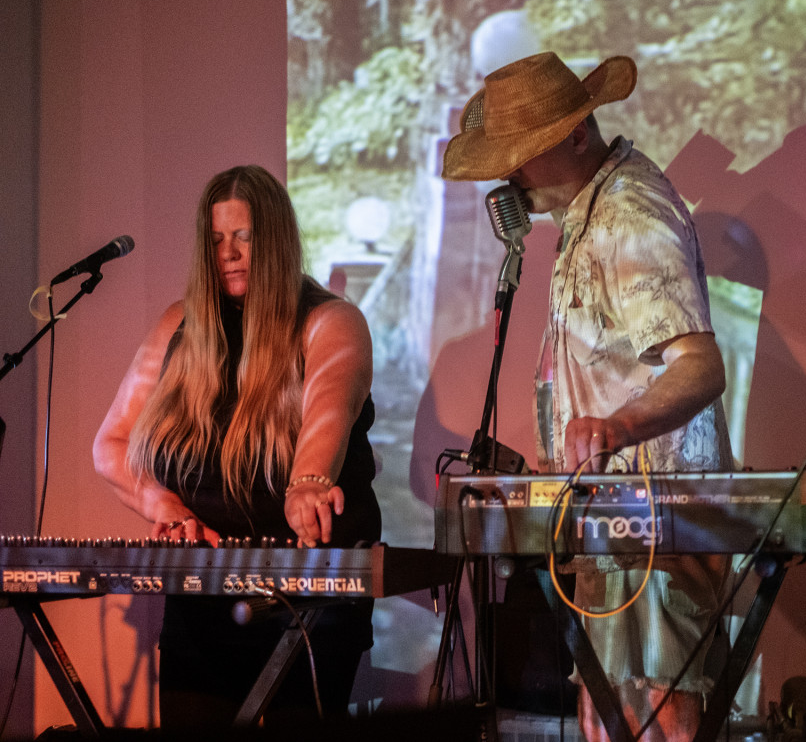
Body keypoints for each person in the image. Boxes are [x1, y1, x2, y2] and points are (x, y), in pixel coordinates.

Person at [443, 52, 736, 742]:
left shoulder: (628, 211)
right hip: (618, 534)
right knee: (611, 718)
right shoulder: (586, 214)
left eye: (523, 154)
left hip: (657, 535)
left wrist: (617, 425)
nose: (511, 175)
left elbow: (701, 366)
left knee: (655, 719)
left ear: (578, 135)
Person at [92, 164, 381, 729]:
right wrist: (164, 507)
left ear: (273, 240)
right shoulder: (180, 326)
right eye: (217, 240)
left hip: (305, 603)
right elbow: (112, 444)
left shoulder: (330, 321)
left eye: (244, 237)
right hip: (201, 597)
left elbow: (329, 411)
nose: (229, 253)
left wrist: (308, 482)